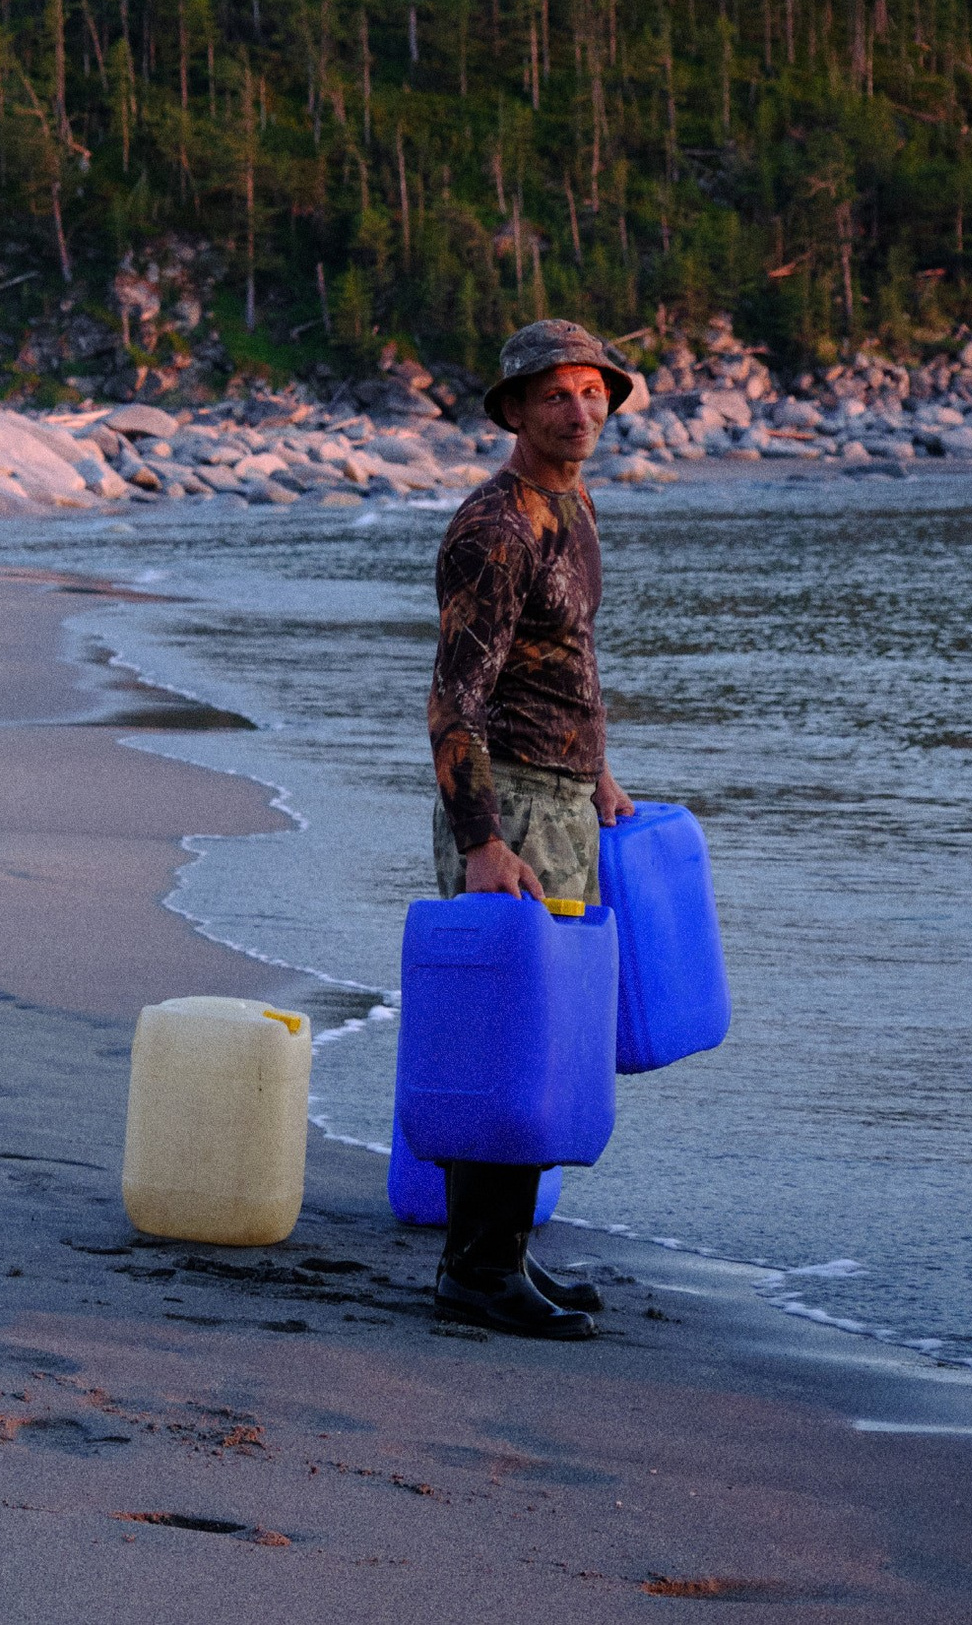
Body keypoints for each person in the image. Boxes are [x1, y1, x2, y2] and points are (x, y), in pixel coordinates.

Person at [424, 318, 638, 1342]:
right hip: (502, 801)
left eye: (591, 390)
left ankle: (506, 1254)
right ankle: (474, 1269)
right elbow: (453, 699)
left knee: (540, 1031)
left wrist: (599, 771)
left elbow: (568, 656)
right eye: (554, 394)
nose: (579, 407)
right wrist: (480, 841)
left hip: (561, 794)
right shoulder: (496, 527)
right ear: (513, 410)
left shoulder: (572, 500)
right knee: (503, 1032)